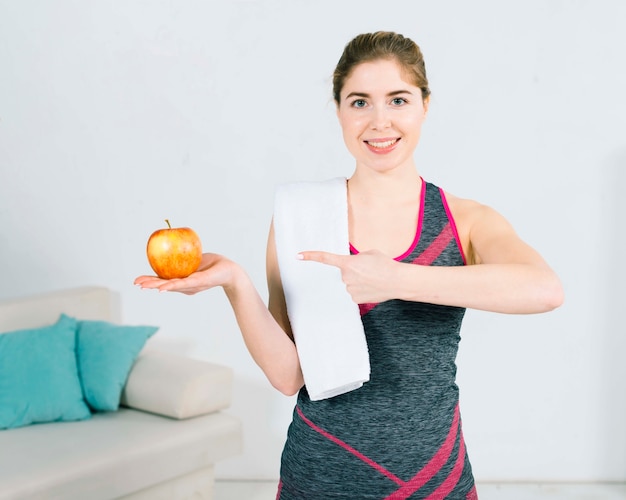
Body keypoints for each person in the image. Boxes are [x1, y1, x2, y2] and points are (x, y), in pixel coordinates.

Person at [135, 31, 563, 499]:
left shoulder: (464, 220)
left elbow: (543, 289)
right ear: (339, 110)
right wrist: (236, 284)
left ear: (424, 105)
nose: (380, 122)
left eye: (398, 99)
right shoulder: (300, 216)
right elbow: (287, 375)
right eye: (360, 102)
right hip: (317, 476)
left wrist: (396, 277)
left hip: (431, 480)